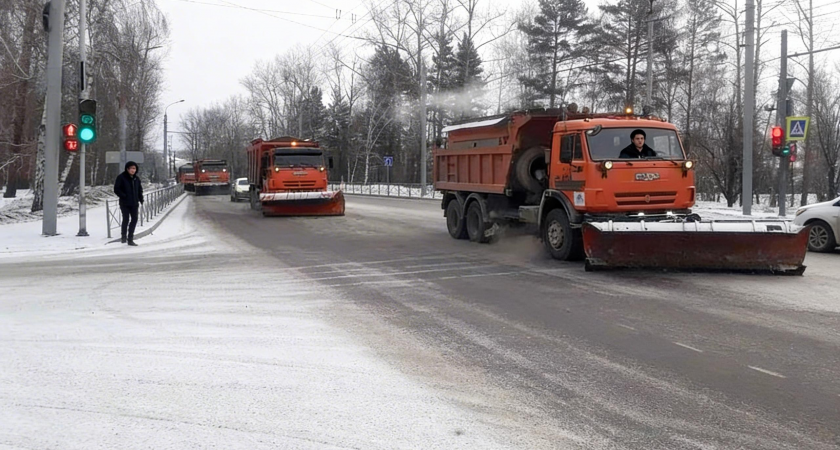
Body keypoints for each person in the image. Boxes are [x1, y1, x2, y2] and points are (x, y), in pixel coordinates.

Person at [114, 161, 144, 246]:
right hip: (125, 203)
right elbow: (116, 189)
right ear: (127, 169)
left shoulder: (136, 179)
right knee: (126, 219)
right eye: (131, 168)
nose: (133, 170)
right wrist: (124, 196)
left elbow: (139, 190)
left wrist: (140, 198)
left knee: (134, 219)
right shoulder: (121, 177)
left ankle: (130, 238)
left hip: (134, 203)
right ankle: (123, 236)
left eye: (134, 168)